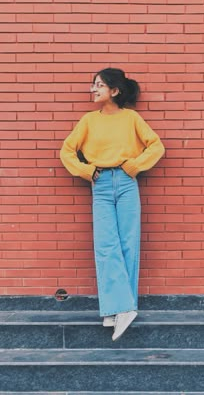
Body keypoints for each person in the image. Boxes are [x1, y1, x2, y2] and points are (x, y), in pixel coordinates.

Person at [60, 67, 165, 341]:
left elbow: (156, 146)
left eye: (99, 85)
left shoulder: (131, 118)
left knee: (128, 244)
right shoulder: (88, 121)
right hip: (101, 184)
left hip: (127, 182)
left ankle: (120, 309)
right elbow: (67, 150)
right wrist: (87, 171)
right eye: (93, 85)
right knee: (106, 244)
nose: (92, 90)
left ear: (114, 91)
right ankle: (120, 307)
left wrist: (135, 166)